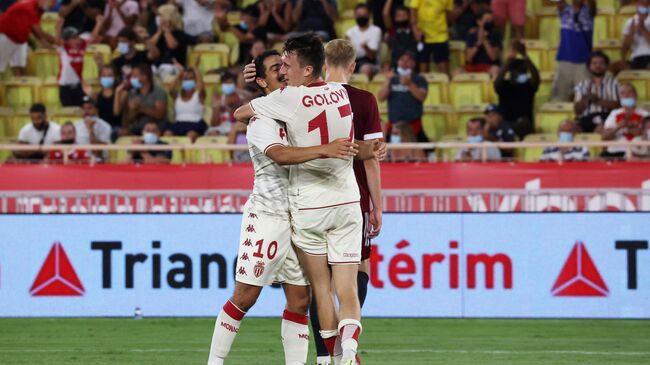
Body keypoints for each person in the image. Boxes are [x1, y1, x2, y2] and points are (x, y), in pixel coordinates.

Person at [207, 49, 371, 365]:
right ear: (262, 81)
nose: (283, 72)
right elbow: (281, 154)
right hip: (268, 216)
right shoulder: (260, 121)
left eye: (284, 66)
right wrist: (326, 149)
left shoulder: (298, 110)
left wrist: (367, 148)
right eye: (275, 69)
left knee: (299, 300)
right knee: (245, 297)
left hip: (300, 214)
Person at [308, 39, 383, 365]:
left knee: (319, 285)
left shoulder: (308, 96)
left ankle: (325, 356)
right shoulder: (365, 100)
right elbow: (372, 158)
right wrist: (377, 205)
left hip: (312, 197)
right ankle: (347, 351)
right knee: (355, 274)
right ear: (352, 66)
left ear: (324, 63)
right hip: (353, 198)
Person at [378, 51, 428, 154]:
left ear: (414, 63)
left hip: (413, 126)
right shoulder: (392, 79)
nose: (405, 62)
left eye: (408, 60)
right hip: (395, 126)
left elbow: (422, 97)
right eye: (402, 60)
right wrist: (388, 80)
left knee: (423, 153)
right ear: (398, 62)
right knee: (388, 155)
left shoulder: (419, 79)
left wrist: (410, 84)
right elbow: (381, 97)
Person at [550, 0, 596, 102]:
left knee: (583, 98)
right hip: (564, 59)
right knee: (559, 97)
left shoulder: (588, 11)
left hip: (583, 61)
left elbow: (593, 7)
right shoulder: (565, 9)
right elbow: (558, 3)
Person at [494, 40, 540, 138]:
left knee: (523, 123)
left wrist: (525, 56)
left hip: (526, 126)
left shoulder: (528, 86)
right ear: (510, 73)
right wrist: (509, 60)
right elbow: (497, 81)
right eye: (515, 71)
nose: (518, 74)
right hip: (507, 126)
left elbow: (536, 77)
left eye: (521, 71)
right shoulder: (504, 86)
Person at [0, 0, 57, 74]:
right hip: (5, 36)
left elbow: (36, 30)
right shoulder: (29, 7)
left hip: (19, 39)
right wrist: (57, 41)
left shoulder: (39, 9)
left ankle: (21, 84)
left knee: (20, 65)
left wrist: (46, 43)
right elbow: (39, 32)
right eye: (50, 4)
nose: (50, 7)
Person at [54, 20, 102, 107]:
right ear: (67, 40)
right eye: (74, 38)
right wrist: (59, 28)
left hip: (78, 85)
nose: (78, 40)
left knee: (83, 107)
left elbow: (92, 37)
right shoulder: (64, 48)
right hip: (65, 87)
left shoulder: (82, 45)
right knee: (68, 111)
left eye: (78, 37)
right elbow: (57, 41)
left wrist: (98, 23)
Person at [114, 62, 168, 135]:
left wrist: (141, 108)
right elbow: (129, 119)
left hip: (156, 128)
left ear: (145, 76)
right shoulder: (132, 93)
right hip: (138, 128)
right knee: (121, 133)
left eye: (134, 76)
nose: (131, 79)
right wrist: (134, 110)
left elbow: (160, 115)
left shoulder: (159, 92)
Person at [574, 51, 620, 133]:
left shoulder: (614, 83)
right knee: (567, 127)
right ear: (589, 66)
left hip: (607, 117)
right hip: (586, 118)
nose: (598, 65)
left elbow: (617, 106)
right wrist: (586, 98)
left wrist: (597, 101)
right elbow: (577, 110)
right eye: (594, 63)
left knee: (600, 129)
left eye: (601, 63)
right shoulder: (582, 85)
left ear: (606, 66)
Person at [409, 0, 459, 74]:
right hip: (423, 36)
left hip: (441, 36)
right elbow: (413, 9)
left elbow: (448, 15)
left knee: (443, 71)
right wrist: (415, 29)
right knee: (424, 70)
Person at [601, 83, 649, 159]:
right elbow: (605, 138)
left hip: (637, 152)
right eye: (623, 93)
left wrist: (639, 132)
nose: (626, 95)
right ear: (619, 97)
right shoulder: (614, 114)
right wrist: (618, 126)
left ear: (636, 95)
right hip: (615, 152)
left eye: (630, 92)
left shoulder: (645, 115)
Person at [165, 60, 207, 142]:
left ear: (195, 81)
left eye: (191, 79)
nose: (188, 81)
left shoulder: (199, 95)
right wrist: (180, 74)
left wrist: (195, 69)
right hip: (179, 124)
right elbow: (170, 89)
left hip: (195, 124)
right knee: (167, 134)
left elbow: (201, 87)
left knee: (190, 136)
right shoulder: (177, 96)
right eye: (185, 79)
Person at [82, 65, 124, 140]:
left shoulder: (121, 93)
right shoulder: (97, 95)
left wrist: (117, 93)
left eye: (110, 75)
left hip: (115, 128)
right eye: (104, 75)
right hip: (101, 127)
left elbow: (116, 112)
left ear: (115, 77)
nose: (106, 78)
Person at [151, 4, 191, 78]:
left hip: (176, 66)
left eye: (161, 16)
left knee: (166, 69)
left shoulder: (180, 34)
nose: (158, 18)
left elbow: (172, 46)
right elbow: (150, 46)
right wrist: (159, 31)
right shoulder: (158, 33)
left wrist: (166, 30)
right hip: (159, 65)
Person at [460, 9, 501, 78]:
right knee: (457, 72)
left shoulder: (496, 35)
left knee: (495, 70)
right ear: (479, 22)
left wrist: (485, 40)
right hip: (473, 66)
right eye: (487, 20)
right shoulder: (472, 35)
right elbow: (468, 58)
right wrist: (478, 43)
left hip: (489, 66)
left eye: (491, 20)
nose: (489, 22)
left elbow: (494, 57)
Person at [208, 71, 251, 136]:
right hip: (221, 128)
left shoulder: (243, 97)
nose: (228, 85)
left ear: (234, 84)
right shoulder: (219, 100)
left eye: (230, 83)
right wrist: (216, 108)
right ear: (221, 85)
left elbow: (246, 120)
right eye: (225, 83)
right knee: (212, 134)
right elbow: (214, 124)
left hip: (237, 127)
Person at [345, 3, 382, 79]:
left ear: (369, 15)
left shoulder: (376, 30)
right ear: (355, 16)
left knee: (366, 69)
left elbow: (372, 56)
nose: (361, 17)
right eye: (359, 15)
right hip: (353, 62)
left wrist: (366, 47)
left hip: (370, 62)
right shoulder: (350, 32)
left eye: (364, 14)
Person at [382, 3, 417, 67]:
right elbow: (385, 14)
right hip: (395, 65)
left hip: (412, 65)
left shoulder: (414, 30)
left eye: (404, 15)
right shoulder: (392, 30)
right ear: (395, 18)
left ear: (409, 17)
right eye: (399, 16)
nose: (401, 18)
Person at [623, 0, 650, 70]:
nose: (643, 5)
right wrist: (631, 33)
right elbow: (624, 50)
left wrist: (643, 28)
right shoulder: (630, 22)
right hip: (635, 58)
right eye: (641, 3)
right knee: (614, 66)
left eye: (646, 3)